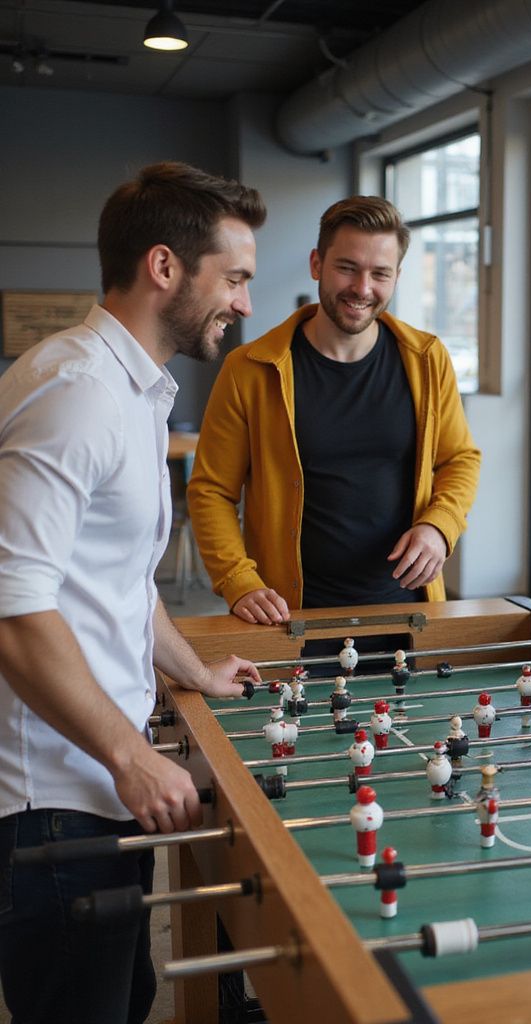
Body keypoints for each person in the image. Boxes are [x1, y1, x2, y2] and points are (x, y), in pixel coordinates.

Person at [0, 162, 265, 1024]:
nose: (245, 302)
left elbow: (116, 577)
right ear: (164, 268)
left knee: (126, 996)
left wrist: (195, 669)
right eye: (234, 278)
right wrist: (130, 753)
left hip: (97, 782)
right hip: (53, 802)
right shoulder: (75, 390)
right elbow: (13, 605)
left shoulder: (135, 388)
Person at [188, 195, 480, 625]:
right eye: (347, 267)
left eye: (379, 273)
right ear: (316, 264)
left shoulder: (427, 359)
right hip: (289, 616)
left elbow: (459, 459)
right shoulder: (249, 369)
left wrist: (440, 525)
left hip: (408, 612)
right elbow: (212, 490)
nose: (362, 289)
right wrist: (237, 579)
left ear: (396, 277)